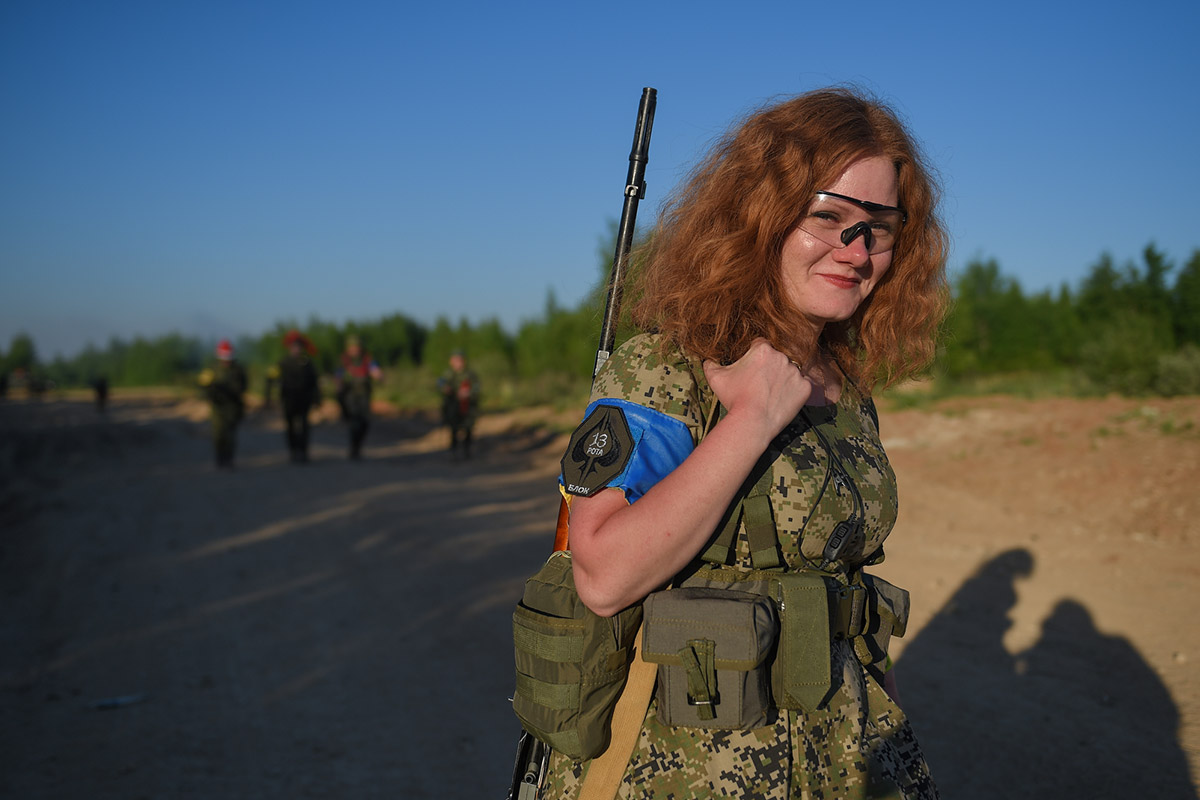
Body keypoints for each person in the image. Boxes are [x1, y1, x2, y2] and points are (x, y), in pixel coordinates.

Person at [543, 89, 948, 798]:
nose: (854, 250)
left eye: (878, 228)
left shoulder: (847, 394)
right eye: (829, 216)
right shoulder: (669, 369)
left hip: (840, 760)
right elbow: (602, 575)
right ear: (764, 214)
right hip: (688, 774)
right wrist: (750, 421)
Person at [200, 339, 247, 469]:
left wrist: (232, 391)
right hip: (217, 407)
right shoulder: (212, 369)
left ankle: (229, 459)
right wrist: (210, 392)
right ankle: (220, 458)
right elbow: (204, 386)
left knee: (231, 435)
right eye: (224, 356)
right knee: (218, 434)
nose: (226, 360)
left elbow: (243, 387)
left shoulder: (238, 369)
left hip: (233, 406)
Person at [336, 335, 381, 460]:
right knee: (355, 422)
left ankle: (357, 446)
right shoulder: (344, 361)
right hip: (351, 396)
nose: (354, 349)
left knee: (365, 423)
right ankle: (354, 448)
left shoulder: (367, 359)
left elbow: (375, 370)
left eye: (356, 346)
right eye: (352, 347)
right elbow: (338, 376)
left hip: (364, 396)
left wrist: (378, 375)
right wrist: (338, 387)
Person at [278, 330, 320, 463]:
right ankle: (293, 451)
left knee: (304, 426)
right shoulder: (283, 363)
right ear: (290, 347)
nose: (296, 349)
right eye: (294, 346)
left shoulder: (307, 363)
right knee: (290, 426)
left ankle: (303, 452)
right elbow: (274, 380)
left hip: (304, 399)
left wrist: (318, 399)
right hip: (289, 399)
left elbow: (314, 382)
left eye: (298, 346)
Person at [437, 350, 480, 459]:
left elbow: (477, 387)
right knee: (454, 429)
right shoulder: (448, 374)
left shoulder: (470, 374)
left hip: (467, 406)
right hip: (453, 406)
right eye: (455, 360)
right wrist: (445, 389)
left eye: (460, 360)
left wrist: (468, 392)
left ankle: (467, 451)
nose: (458, 363)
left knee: (468, 428)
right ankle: (454, 451)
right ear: (451, 362)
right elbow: (440, 383)